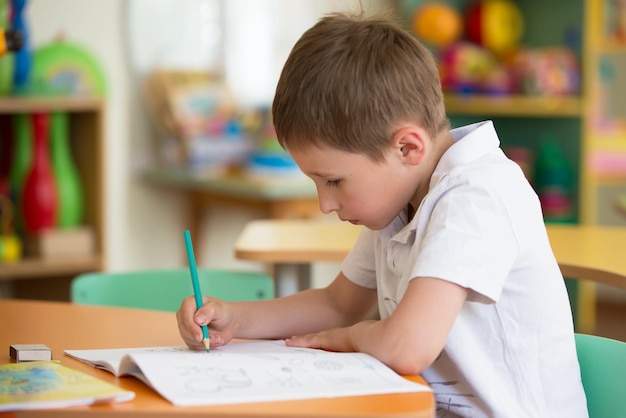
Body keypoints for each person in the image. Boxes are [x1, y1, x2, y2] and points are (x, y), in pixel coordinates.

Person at [177, 11, 588, 417]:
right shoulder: (404, 201)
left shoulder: (476, 196)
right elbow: (337, 304)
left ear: (408, 148)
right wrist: (236, 317)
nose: (325, 204)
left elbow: (405, 346)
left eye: (334, 181)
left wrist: (350, 338)